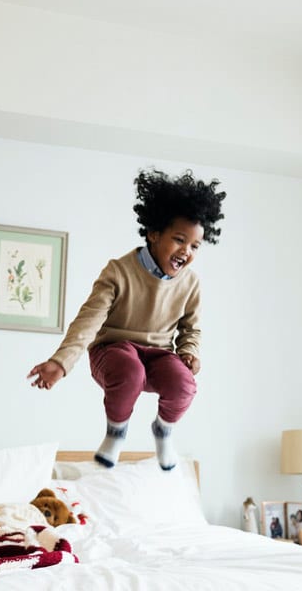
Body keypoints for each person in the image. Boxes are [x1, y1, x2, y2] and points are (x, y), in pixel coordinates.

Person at [27, 168, 226, 470]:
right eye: (179, 240)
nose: (186, 251)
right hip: (113, 350)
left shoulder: (190, 283)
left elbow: (190, 328)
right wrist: (61, 362)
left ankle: (164, 430)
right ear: (154, 233)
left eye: (194, 246)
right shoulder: (118, 271)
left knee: (184, 384)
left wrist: (189, 352)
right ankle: (116, 432)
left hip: (159, 355)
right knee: (130, 370)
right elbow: (89, 320)